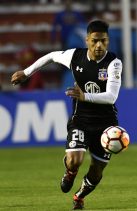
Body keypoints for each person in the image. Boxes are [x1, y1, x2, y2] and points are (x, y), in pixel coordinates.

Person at [11, 20, 123, 210]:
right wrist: (27, 72)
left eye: (104, 41)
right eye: (95, 41)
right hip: (81, 120)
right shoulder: (75, 56)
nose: (99, 45)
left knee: (96, 172)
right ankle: (70, 172)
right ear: (87, 40)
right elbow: (52, 56)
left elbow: (111, 97)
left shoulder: (113, 63)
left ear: (108, 41)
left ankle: (79, 197)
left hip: (105, 125)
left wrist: (84, 95)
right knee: (75, 160)